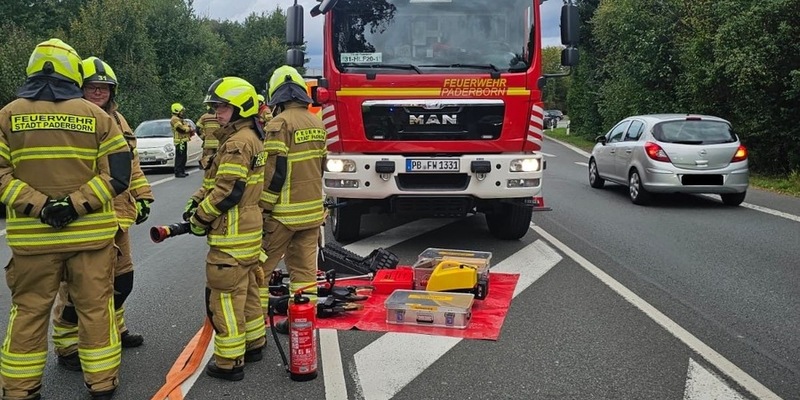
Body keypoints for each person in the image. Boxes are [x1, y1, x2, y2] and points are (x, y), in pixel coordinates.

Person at [0, 38, 131, 400]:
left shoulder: (8, 115)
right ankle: (102, 385)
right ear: (74, 72)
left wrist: (39, 206)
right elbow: (118, 175)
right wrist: (74, 205)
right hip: (90, 239)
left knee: (28, 312)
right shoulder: (97, 117)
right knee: (95, 311)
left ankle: (19, 389)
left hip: (33, 243)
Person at [51, 56, 154, 372]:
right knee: (78, 288)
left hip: (119, 214)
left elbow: (130, 163)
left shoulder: (119, 121)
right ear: (79, 88)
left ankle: (116, 329)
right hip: (86, 217)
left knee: (122, 280)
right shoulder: (69, 120)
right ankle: (67, 345)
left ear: (113, 91)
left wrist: (143, 195)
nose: (98, 92)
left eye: (104, 87)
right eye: (91, 87)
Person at [186, 76, 267, 381]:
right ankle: (254, 342)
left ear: (241, 108)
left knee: (224, 300)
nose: (216, 112)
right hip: (248, 234)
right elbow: (213, 183)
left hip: (230, 236)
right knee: (246, 293)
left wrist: (199, 218)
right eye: (216, 106)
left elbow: (228, 191)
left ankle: (229, 361)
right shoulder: (250, 138)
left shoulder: (236, 143)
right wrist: (195, 200)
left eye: (223, 107)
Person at [258, 66, 327, 333]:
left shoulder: (279, 124)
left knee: (259, 271)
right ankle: (302, 322)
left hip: (282, 215)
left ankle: (255, 328)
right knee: (305, 274)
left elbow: (275, 173)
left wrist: (263, 207)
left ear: (277, 95)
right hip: (311, 213)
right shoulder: (317, 121)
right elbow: (322, 166)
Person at [194, 106, 221, 198]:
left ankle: (207, 180)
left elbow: (197, 128)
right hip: (219, 142)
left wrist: (202, 137)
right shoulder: (219, 116)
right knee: (219, 162)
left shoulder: (204, 117)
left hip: (208, 143)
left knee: (207, 163)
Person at [170, 103, 192, 177]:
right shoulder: (174, 119)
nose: (182, 113)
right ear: (177, 111)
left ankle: (182, 171)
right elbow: (181, 129)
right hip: (179, 141)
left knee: (183, 157)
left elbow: (185, 126)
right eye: (181, 111)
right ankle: (178, 172)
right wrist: (188, 128)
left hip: (183, 140)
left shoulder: (179, 119)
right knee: (180, 157)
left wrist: (187, 127)